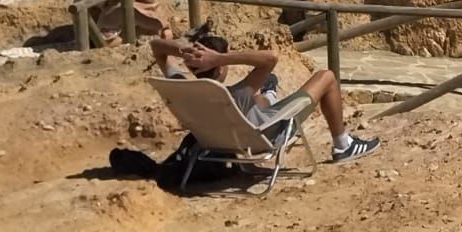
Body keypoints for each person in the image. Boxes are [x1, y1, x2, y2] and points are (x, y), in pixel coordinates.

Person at [150, 35, 380, 163]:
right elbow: (270, 57)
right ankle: (343, 146)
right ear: (220, 68)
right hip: (267, 135)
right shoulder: (236, 94)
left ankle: (267, 93)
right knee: (326, 77)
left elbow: (155, 46)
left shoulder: (184, 90)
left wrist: (186, 51)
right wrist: (220, 58)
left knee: (262, 90)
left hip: (219, 138)